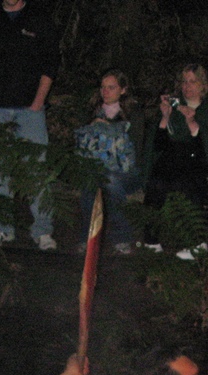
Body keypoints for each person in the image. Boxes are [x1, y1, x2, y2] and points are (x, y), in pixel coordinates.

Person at [0, 0, 59, 251]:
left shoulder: (39, 18)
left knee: (37, 171)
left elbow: (50, 63)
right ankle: (3, 229)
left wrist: (37, 103)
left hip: (30, 111)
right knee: (0, 170)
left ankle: (43, 231)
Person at [143, 64, 208, 254]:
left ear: (203, 85)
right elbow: (158, 144)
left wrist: (192, 122)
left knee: (186, 184)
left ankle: (196, 244)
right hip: (172, 158)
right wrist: (165, 117)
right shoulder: (174, 106)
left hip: (199, 161)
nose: (187, 86)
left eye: (192, 81)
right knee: (157, 180)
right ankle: (151, 239)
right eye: (184, 82)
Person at [76, 69, 146, 255]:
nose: (105, 92)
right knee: (90, 182)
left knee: (111, 182)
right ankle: (88, 237)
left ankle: (122, 236)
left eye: (111, 87)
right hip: (96, 168)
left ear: (123, 90)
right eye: (103, 87)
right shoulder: (92, 112)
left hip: (126, 172)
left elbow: (135, 151)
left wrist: (111, 131)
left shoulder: (134, 114)